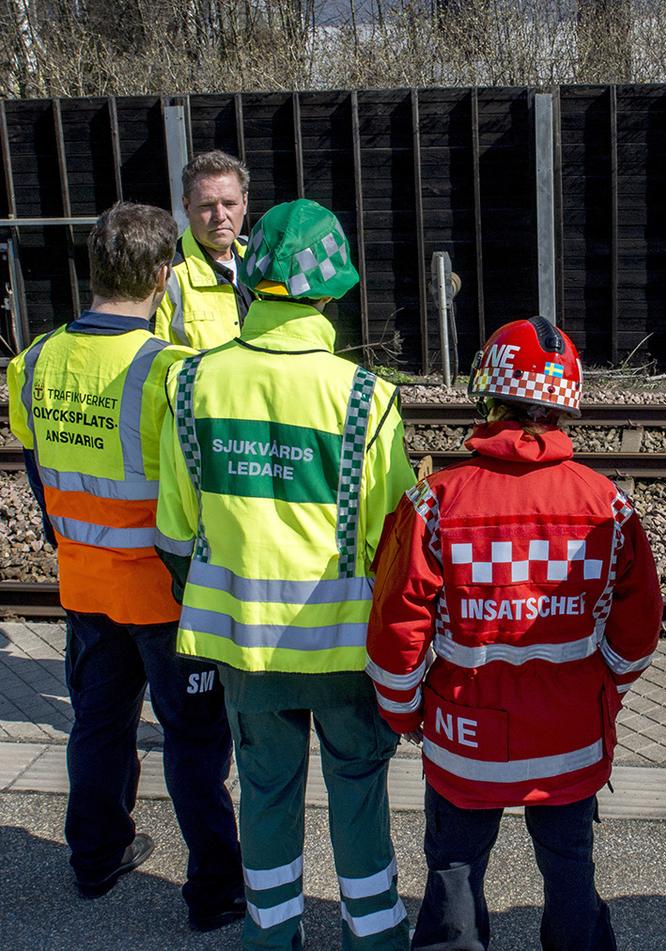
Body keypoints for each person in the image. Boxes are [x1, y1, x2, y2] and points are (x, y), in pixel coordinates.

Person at [156, 198, 415, 951]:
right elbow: (392, 543)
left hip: (245, 651)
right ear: (332, 291)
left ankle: (271, 937)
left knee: (264, 795)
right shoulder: (364, 395)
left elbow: (176, 532)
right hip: (342, 653)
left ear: (252, 278)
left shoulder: (192, 383)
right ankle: (373, 936)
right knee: (358, 795)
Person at [366, 317, 664, 951]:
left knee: (453, 868)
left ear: (489, 396)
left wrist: (403, 714)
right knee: (569, 868)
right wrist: (604, 688)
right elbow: (639, 630)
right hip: (570, 739)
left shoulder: (434, 501)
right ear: (565, 404)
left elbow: (397, 628)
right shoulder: (607, 503)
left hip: (463, 736)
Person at [6, 202, 244, 929]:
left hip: (83, 588)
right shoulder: (172, 373)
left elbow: (40, 461)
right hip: (164, 596)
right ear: (165, 277)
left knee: (98, 727)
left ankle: (96, 858)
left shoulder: (35, 360)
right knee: (195, 741)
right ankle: (214, 891)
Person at [153, 149, 254, 349]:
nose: (220, 215)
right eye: (207, 205)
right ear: (186, 205)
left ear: (245, 201)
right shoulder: (165, 274)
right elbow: (154, 362)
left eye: (229, 203)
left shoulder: (260, 258)